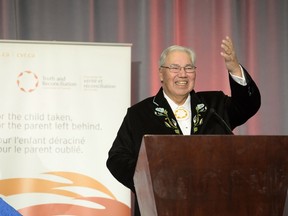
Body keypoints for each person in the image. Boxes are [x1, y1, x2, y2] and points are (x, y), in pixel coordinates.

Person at [106, 36, 261, 216]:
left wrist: (234, 68)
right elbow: (116, 158)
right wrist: (148, 180)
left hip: (213, 205)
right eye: (174, 68)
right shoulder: (139, 114)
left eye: (189, 68)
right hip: (159, 207)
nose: (182, 74)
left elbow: (248, 105)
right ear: (161, 74)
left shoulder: (215, 106)